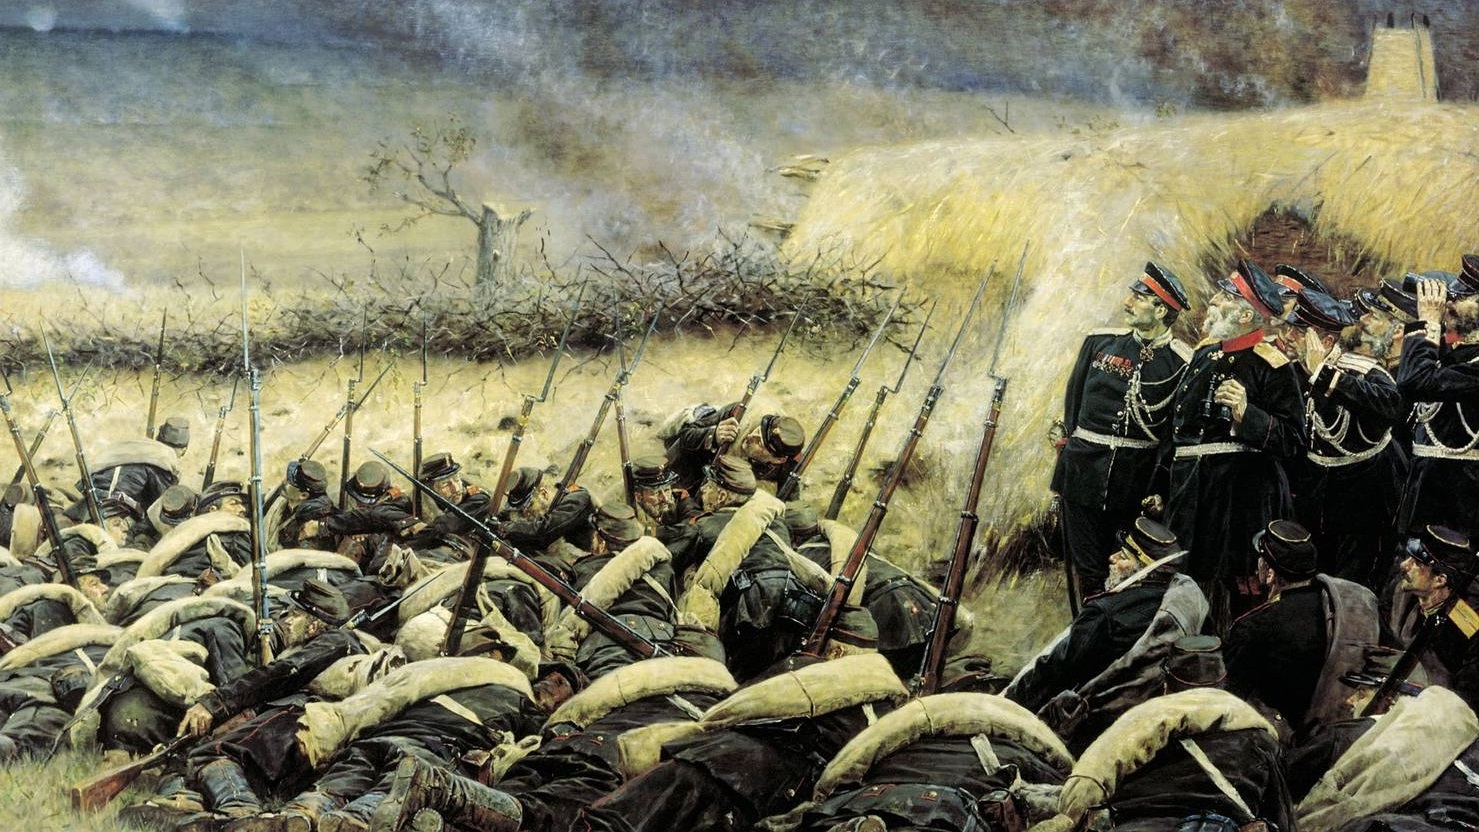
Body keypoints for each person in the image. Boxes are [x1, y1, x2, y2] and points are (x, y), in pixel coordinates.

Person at [1163, 259, 1307, 625]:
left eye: (1225, 297)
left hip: (1239, 503)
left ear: (1245, 315)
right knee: (1187, 582)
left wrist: (1247, 414)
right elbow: (1178, 430)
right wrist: (1160, 486)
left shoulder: (1273, 365)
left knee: (1237, 593)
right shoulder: (1204, 354)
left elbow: (1294, 441)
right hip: (1191, 495)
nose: (1213, 301)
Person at [1051, 262, 1193, 602]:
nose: (1128, 302)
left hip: (1134, 486)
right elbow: (1073, 406)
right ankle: (1088, 623)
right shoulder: (1099, 343)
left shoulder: (1181, 362)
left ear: (1161, 310)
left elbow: (1174, 437)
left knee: (1127, 571)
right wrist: (1068, 452)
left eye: (1138, 297)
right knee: (1088, 571)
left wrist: (1160, 487)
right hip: (1081, 475)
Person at [1006, 516, 1207, 748]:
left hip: (1095, 727)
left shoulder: (1104, 614)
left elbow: (1054, 669)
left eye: (1123, 556)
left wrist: (1008, 704)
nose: (1112, 558)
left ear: (1144, 570)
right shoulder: (1185, 601)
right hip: (1153, 717)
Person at [1291, 288, 1408, 587]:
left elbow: (1390, 404)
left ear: (1326, 342)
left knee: (1353, 583)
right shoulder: (1295, 370)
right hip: (1315, 494)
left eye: (1299, 333)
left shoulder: (1366, 372)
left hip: (1363, 497)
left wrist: (1324, 374)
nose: (1288, 337)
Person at [1222, 520, 1379, 741]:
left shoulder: (1253, 626)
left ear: (1269, 572)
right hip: (1339, 732)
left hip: (1281, 741)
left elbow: (1229, 698)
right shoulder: (1345, 607)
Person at [1394, 270, 1479, 536]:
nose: (1448, 303)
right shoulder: (1452, 353)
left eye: (1460, 298)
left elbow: (1415, 381)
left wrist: (1429, 322)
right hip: (1425, 489)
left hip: (1461, 499)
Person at [1384, 525, 1479, 711]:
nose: (1404, 566)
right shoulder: (1401, 592)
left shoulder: (1468, 625)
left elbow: (1464, 701)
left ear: (1440, 580)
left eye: (1416, 563)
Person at [65, 415, 189, 524]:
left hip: (87, 500)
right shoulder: (165, 459)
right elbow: (162, 504)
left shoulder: (138, 446)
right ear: (184, 450)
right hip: (114, 509)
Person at [662, 404, 805, 495]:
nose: (750, 437)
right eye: (756, 431)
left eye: (759, 443)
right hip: (697, 443)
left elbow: (789, 498)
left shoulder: (789, 465)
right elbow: (686, 433)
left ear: (779, 460)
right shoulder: (739, 413)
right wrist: (713, 435)